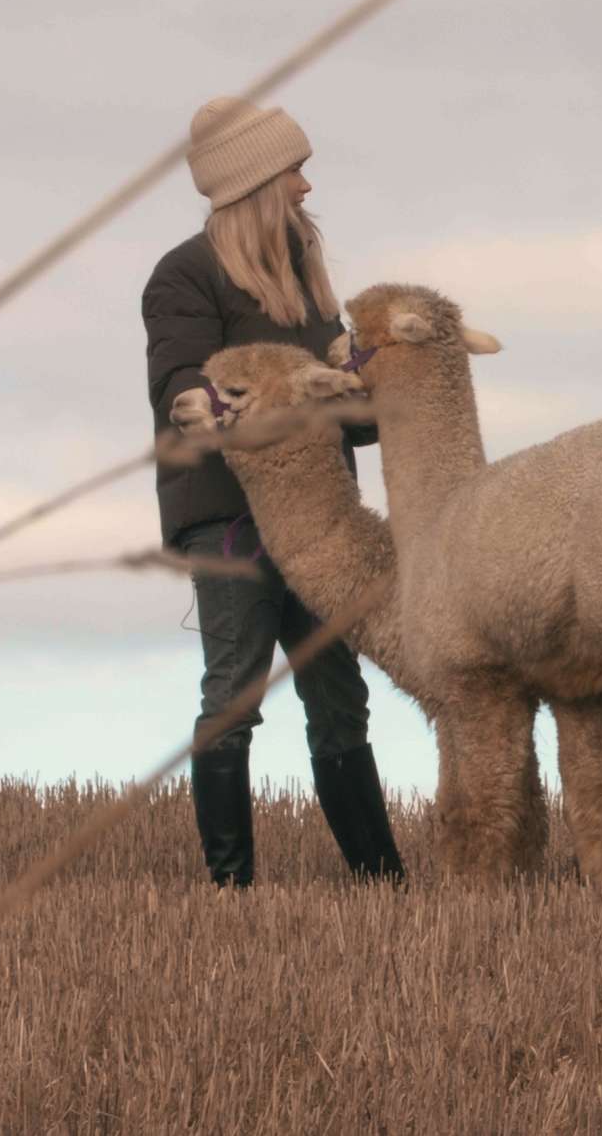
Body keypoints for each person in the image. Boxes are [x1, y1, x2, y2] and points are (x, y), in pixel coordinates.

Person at [142, 98, 404, 888]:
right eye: (294, 169)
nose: (305, 186)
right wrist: (286, 392)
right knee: (234, 694)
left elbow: (354, 425)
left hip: (319, 525)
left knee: (339, 698)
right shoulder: (183, 276)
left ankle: (383, 885)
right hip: (228, 519)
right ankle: (231, 892)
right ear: (255, 180)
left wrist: (380, 384)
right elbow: (182, 393)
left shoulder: (306, 281)